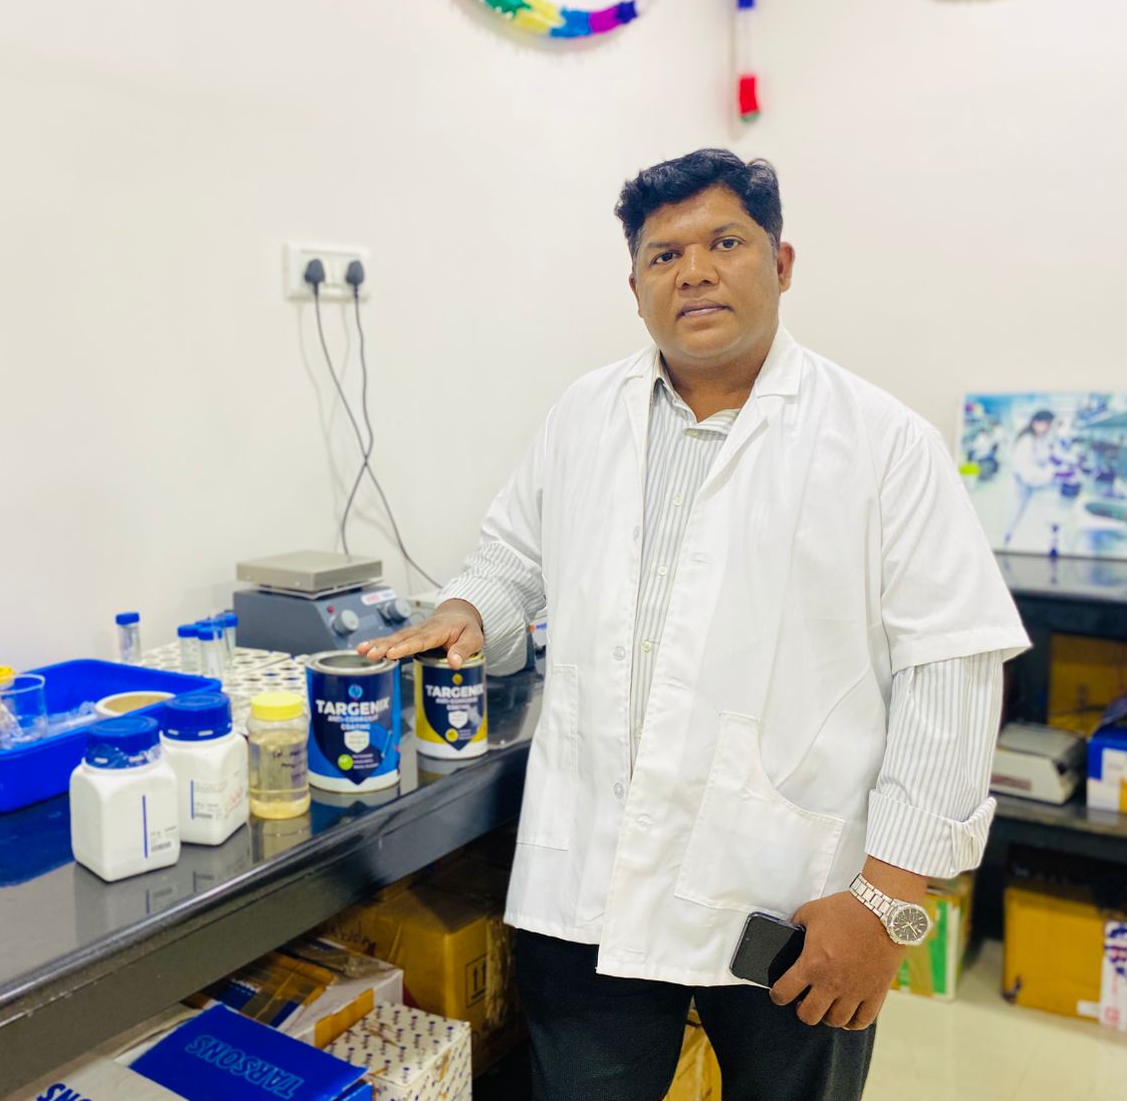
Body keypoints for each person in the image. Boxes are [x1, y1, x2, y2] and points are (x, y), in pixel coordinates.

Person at [358, 149, 1028, 1101]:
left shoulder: (885, 444)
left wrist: (888, 902)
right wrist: (467, 611)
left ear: (781, 264)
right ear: (634, 287)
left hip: (796, 899)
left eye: (726, 243)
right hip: (589, 887)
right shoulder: (583, 416)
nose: (695, 272)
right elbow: (512, 559)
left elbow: (951, 671)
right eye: (664, 255)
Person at [1004, 409, 1056, 546]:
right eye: (1046, 424)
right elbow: (1028, 474)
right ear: (1035, 422)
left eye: (1050, 425)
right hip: (1020, 487)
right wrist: (1054, 473)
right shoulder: (1026, 441)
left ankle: (1010, 538)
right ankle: (1007, 541)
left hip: (1027, 487)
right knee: (1015, 516)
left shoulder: (1037, 438)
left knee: (1021, 516)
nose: (1048, 428)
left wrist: (1052, 460)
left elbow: (1042, 455)